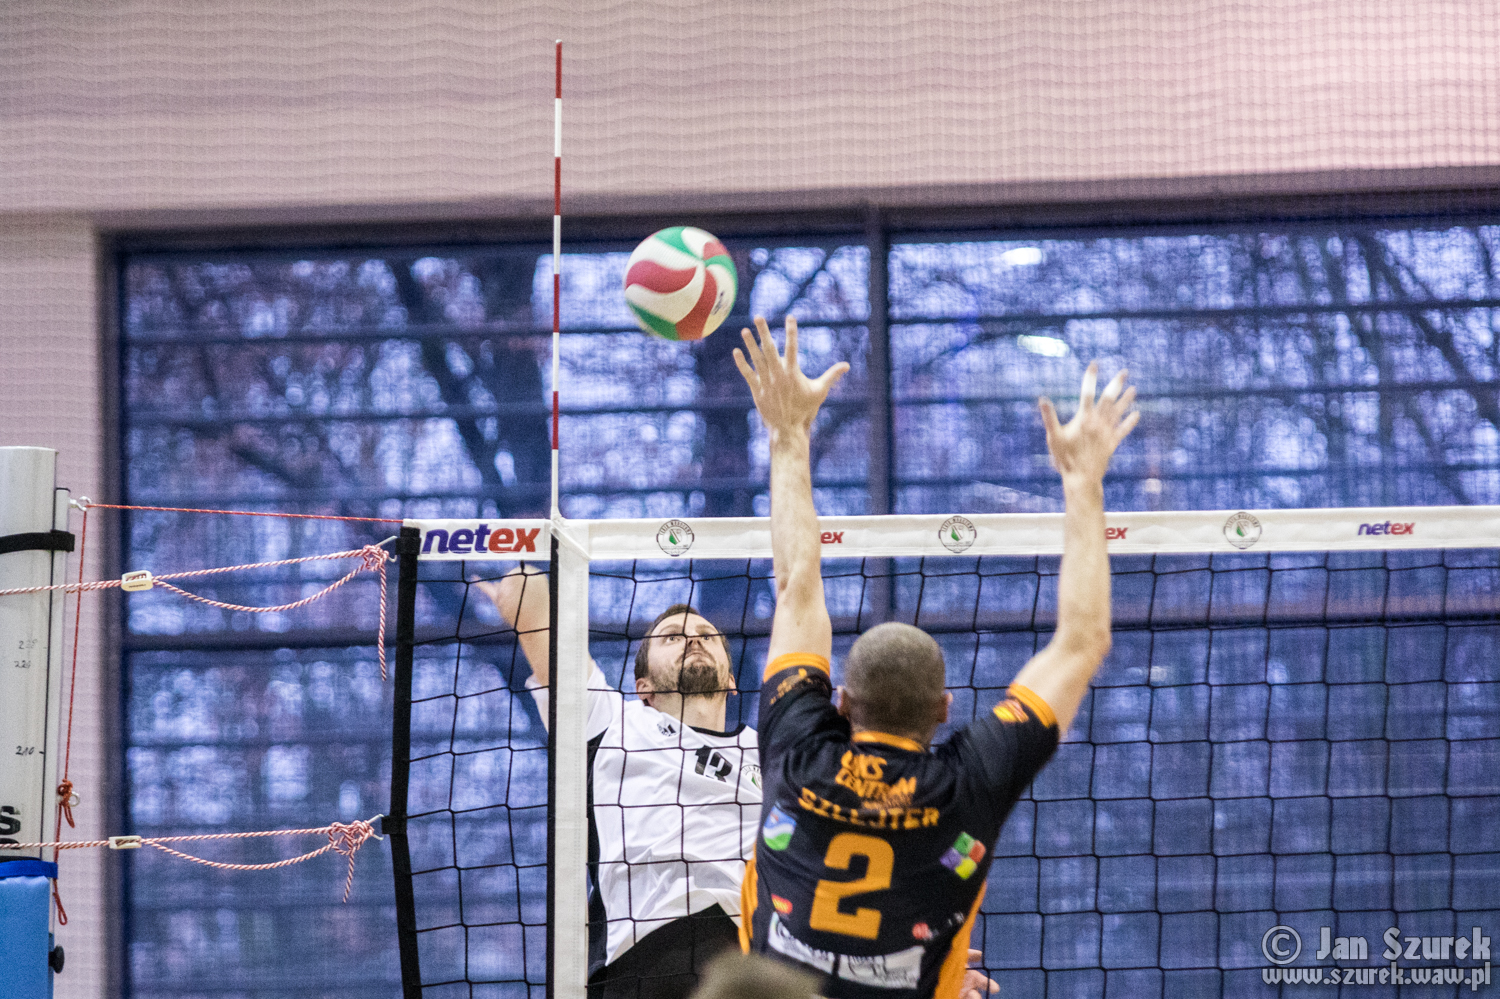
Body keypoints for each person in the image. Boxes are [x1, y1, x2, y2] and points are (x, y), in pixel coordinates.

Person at [732, 315, 1137, 999]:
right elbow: (1083, 639)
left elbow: (797, 585)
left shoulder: (798, 751)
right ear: (945, 709)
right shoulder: (967, 783)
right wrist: (1082, 481)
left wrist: (788, 434)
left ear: (842, 703)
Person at [479, 574, 759, 999]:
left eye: (707, 636)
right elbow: (532, 605)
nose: (694, 639)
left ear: (732, 681)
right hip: (648, 958)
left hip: (755, 960)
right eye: (672, 637)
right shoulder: (613, 721)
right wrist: (520, 581)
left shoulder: (772, 752)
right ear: (643, 687)